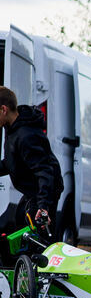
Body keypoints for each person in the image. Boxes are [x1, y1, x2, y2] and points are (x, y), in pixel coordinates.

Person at [0, 86, 64, 233]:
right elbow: (11, 163)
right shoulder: (12, 130)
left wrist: (43, 207)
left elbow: (44, 171)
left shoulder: (26, 135)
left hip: (45, 189)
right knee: (20, 222)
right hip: (32, 191)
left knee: (37, 235)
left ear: (4, 109)